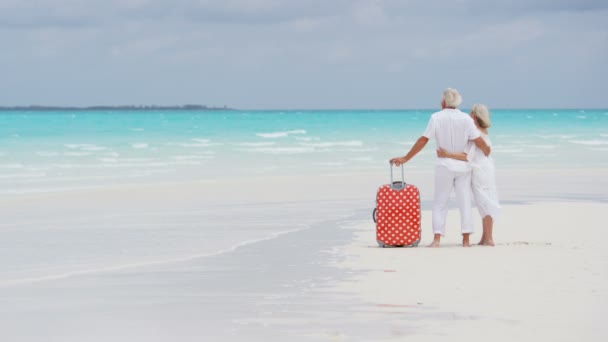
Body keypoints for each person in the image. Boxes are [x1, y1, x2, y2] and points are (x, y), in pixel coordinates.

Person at [390, 88, 490, 247]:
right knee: (464, 203)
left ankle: (437, 239)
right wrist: (487, 151)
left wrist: (406, 158)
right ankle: (466, 240)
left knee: (440, 203)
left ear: (444, 101)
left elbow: (423, 140)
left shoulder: (436, 117)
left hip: (444, 166)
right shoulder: (466, 118)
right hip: (463, 167)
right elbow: (478, 140)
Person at [437, 104, 500, 246]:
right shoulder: (483, 130)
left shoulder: (475, 132)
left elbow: (466, 156)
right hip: (485, 167)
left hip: (480, 170)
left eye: (471, 112)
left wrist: (446, 154)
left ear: (475, 116)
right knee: (486, 200)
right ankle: (486, 238)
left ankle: (488, 238)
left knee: (484, 202)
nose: (468, 114)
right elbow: (487, 150)